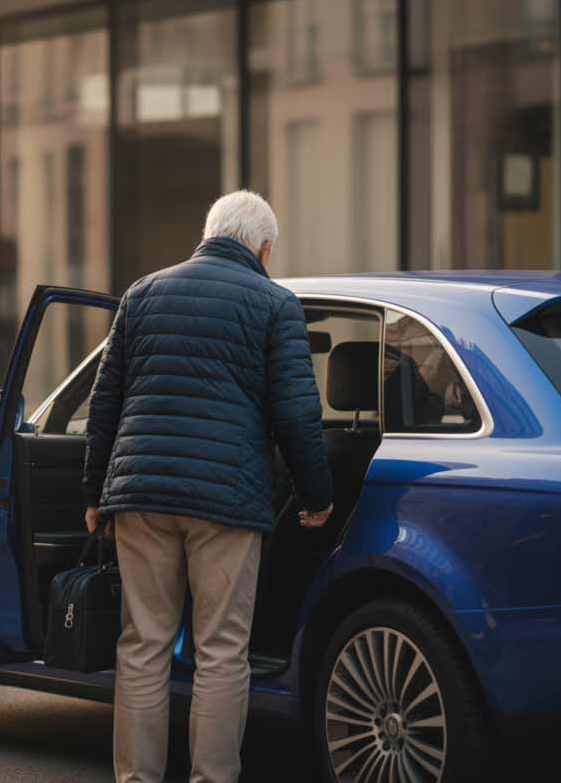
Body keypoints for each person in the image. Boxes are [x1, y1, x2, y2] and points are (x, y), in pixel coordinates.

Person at [81, 190, 334, 783]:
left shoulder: (142, 293)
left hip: (141, 496)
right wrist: (317, 496)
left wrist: (95, 493)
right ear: (264, 249)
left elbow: (104, 402)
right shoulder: (275, 304)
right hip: (226, 501)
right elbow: (297, 414)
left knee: (142, 645)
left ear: (208, 233)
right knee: (221, 651)